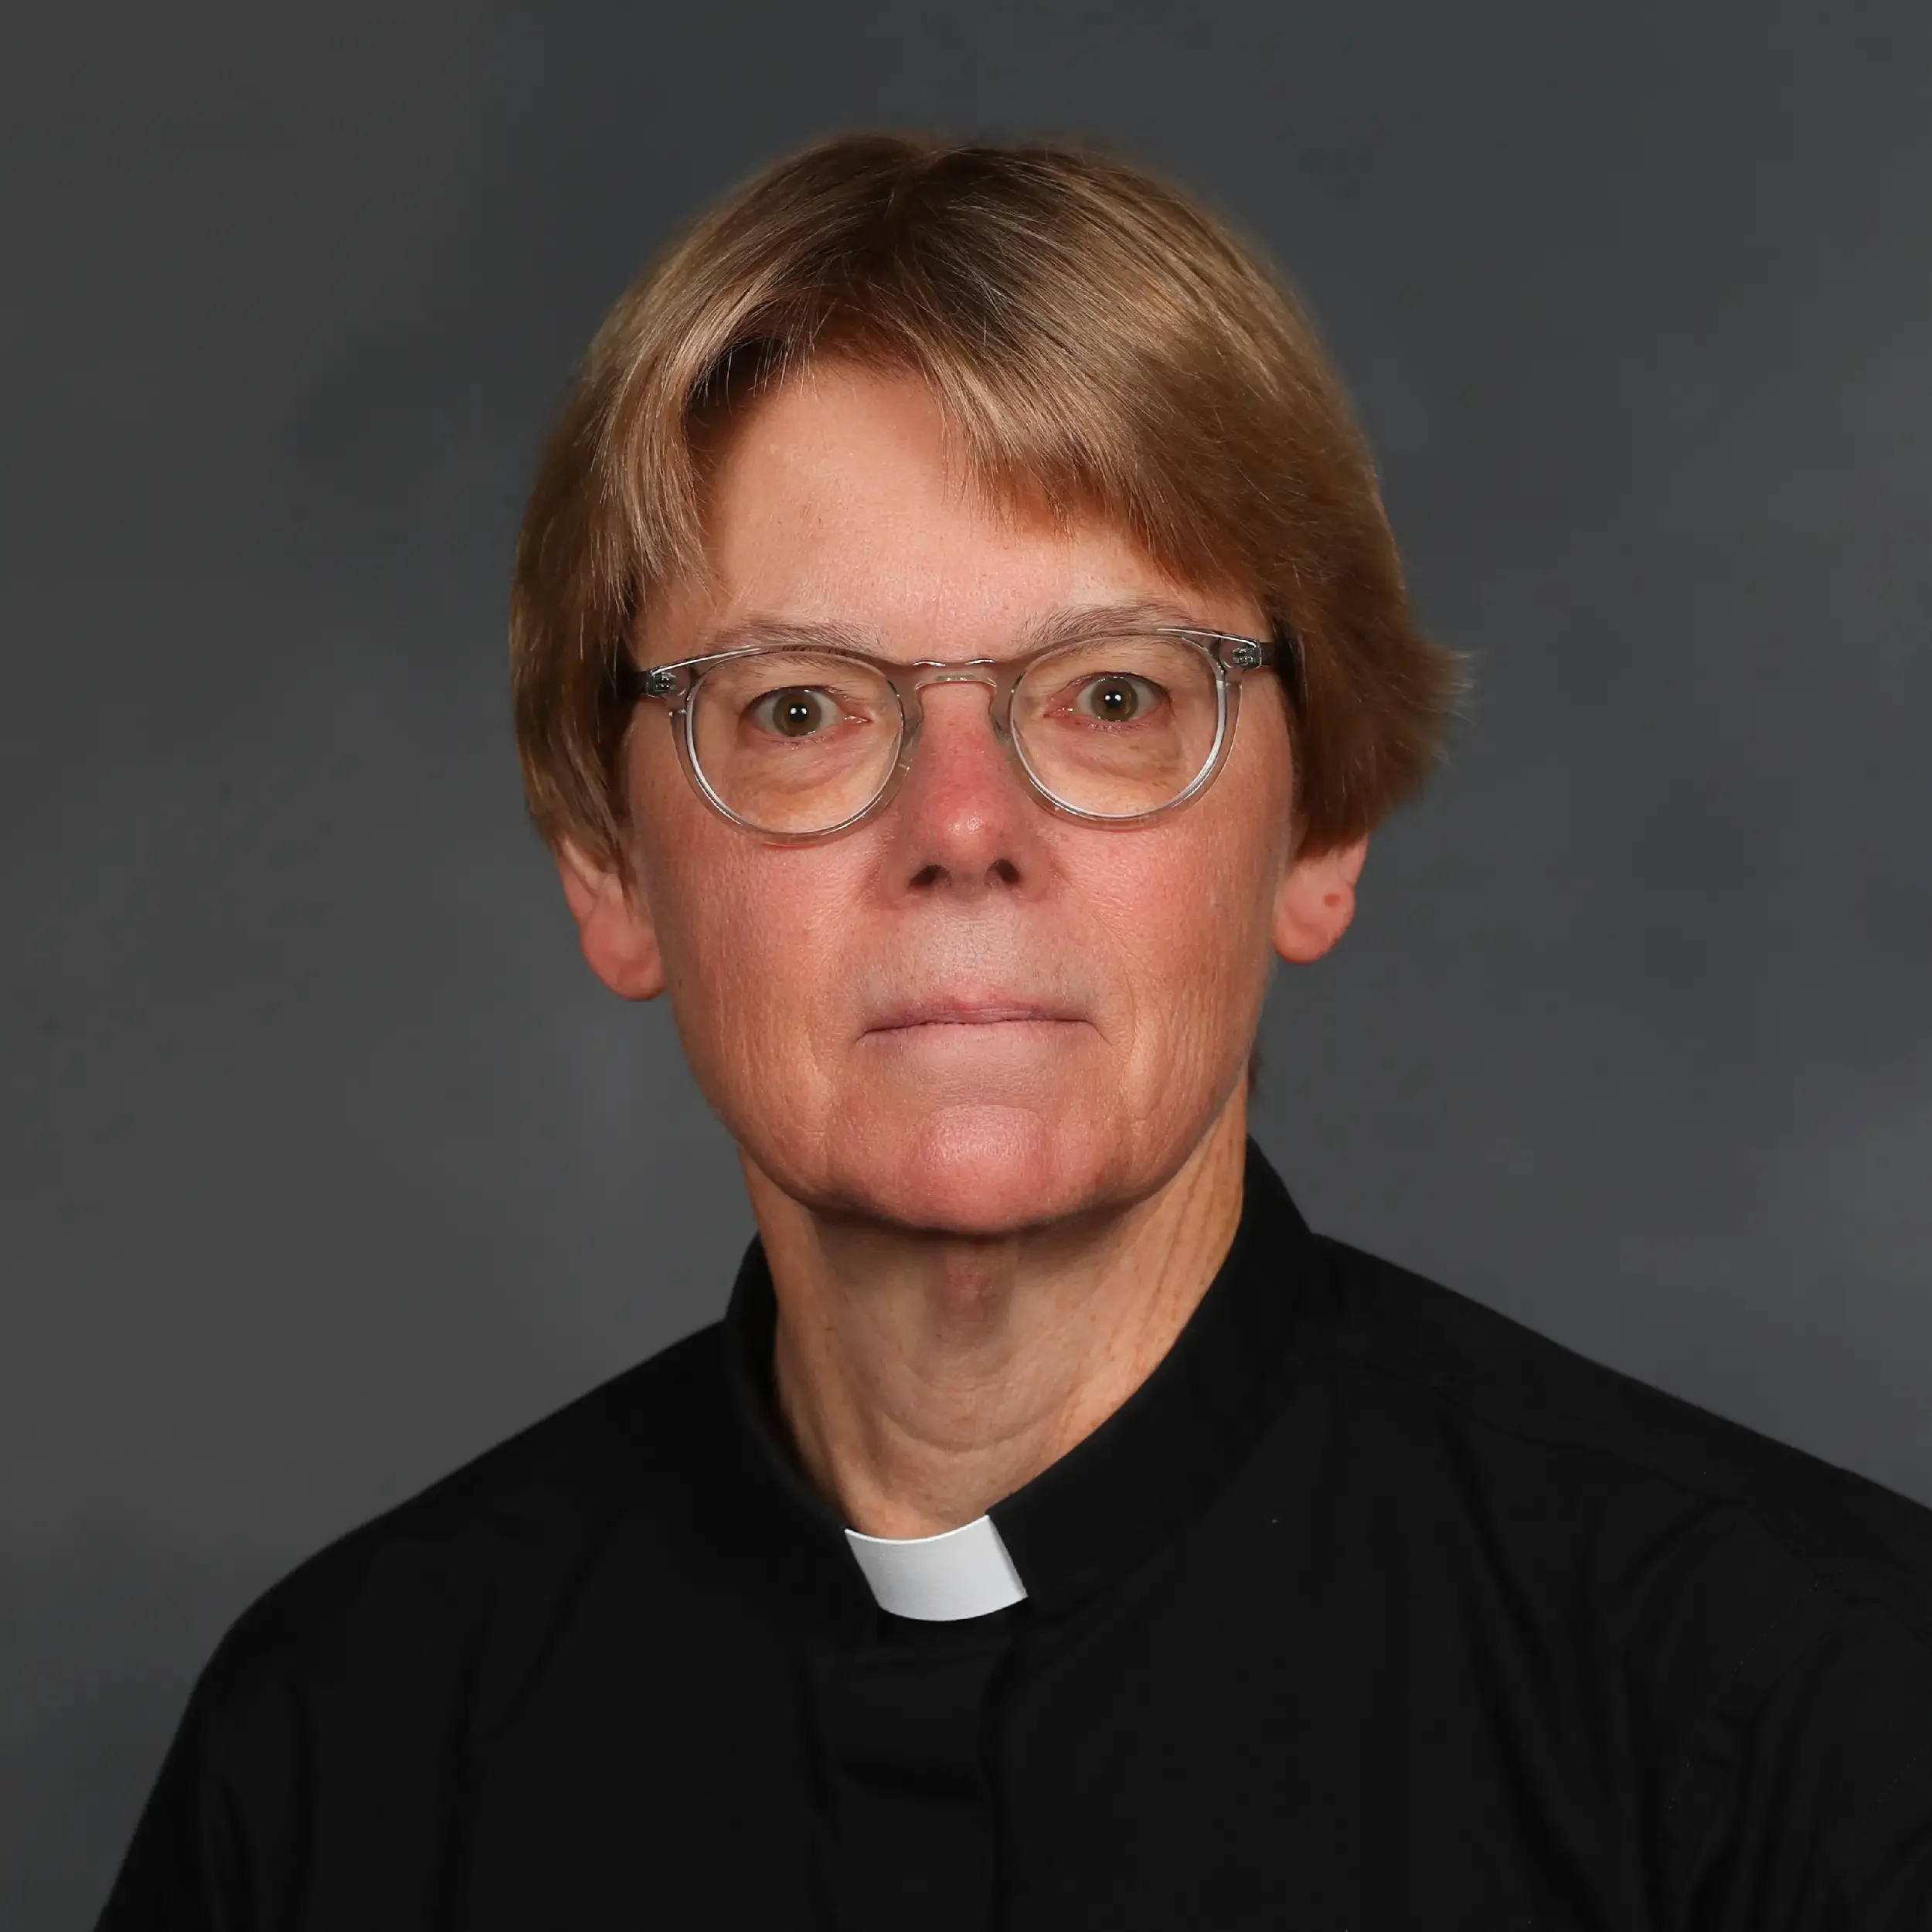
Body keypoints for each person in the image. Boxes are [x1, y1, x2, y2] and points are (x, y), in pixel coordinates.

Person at [100, 134, 1932, 1931]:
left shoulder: (1812, 1716)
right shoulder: (347, 1747)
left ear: (1317, 827)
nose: (962, 826)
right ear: (610, 868)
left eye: (1116, 693)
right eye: (799, 704)